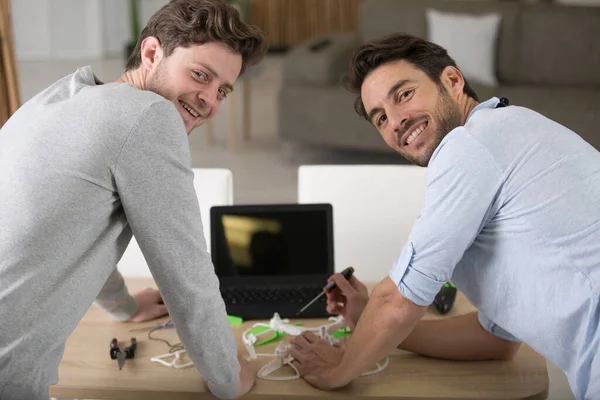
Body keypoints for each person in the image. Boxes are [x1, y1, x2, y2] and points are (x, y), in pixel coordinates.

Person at [288, 33, 600, 400]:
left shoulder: (469, 143)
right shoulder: (507, 133)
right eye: (381, 118)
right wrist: (365, 324)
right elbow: (494, 342)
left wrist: (337, 371)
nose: (396, 122)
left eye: (404, 94)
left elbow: (399, 300)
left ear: (452, 81)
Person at [0, 0, 267, 399]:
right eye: (199, 74)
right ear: (151, 52)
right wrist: (229, 377)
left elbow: (69, 229)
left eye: (222, 90)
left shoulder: (55, 99)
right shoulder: (148, 117)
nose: (209, 100)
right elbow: (186, 277)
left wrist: (123, 306)